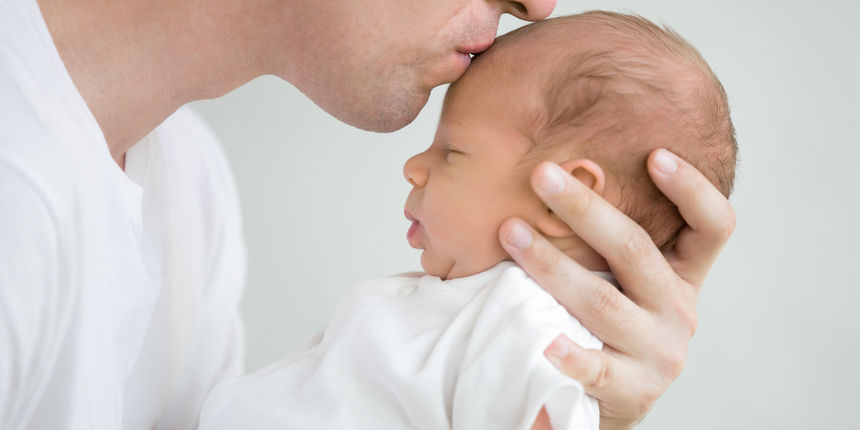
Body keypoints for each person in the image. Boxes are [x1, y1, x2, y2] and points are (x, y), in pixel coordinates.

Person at [0, 0, 736, 428]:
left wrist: (572, 391)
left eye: (452, 154)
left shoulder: (188, 185)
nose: (538, 4)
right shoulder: (19, 186)